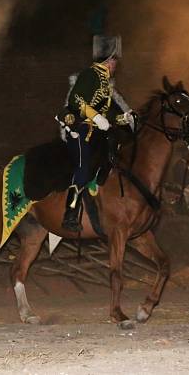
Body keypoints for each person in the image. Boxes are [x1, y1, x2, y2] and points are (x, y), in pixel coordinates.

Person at [57, 35, 133, 232]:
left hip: (97, 134)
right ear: (107, 60)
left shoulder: (105, 82)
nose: (116, 64)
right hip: (81, 130)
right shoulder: (90, 75)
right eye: (114, 59)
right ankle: (70, 213)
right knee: (82, 167)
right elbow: (76, 100)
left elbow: (107, 114)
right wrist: (96, 117)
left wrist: (124, 118)